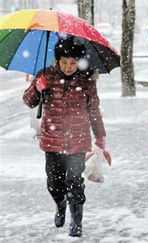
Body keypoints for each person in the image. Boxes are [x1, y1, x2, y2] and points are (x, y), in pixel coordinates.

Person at [23, 36, 106, 237]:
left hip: (78, 141)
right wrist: (36, 88)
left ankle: (76, 221)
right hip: (52, 141)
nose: (69, 67)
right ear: (57, 60)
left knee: (75, 182)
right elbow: (28, 101)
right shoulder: (45, 76)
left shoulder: (86, 79)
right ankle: (60, 205)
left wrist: (100, 136)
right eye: (64, 62)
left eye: (73, 62)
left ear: (78, 61)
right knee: (54, 184)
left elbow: (94, 109)